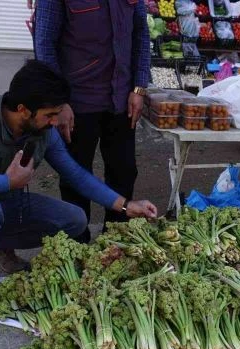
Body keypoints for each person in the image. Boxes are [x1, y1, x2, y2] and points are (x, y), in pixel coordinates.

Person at [0, 60, 158, 327]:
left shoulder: (42, 130)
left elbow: (76, 174)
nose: (55, 121)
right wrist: (4, 182)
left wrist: (127, 206)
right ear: (23, 110)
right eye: (50, 114)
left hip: (5, 206)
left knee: (75, 219)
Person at [34, 0, 150, 241]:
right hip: (77, 103)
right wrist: (59, 102)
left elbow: (141, 34)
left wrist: (139, 87)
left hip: (121, 100)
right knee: (75, 174)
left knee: (124, 171)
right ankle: (78, 242)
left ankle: (115, 240)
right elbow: (44, 45)